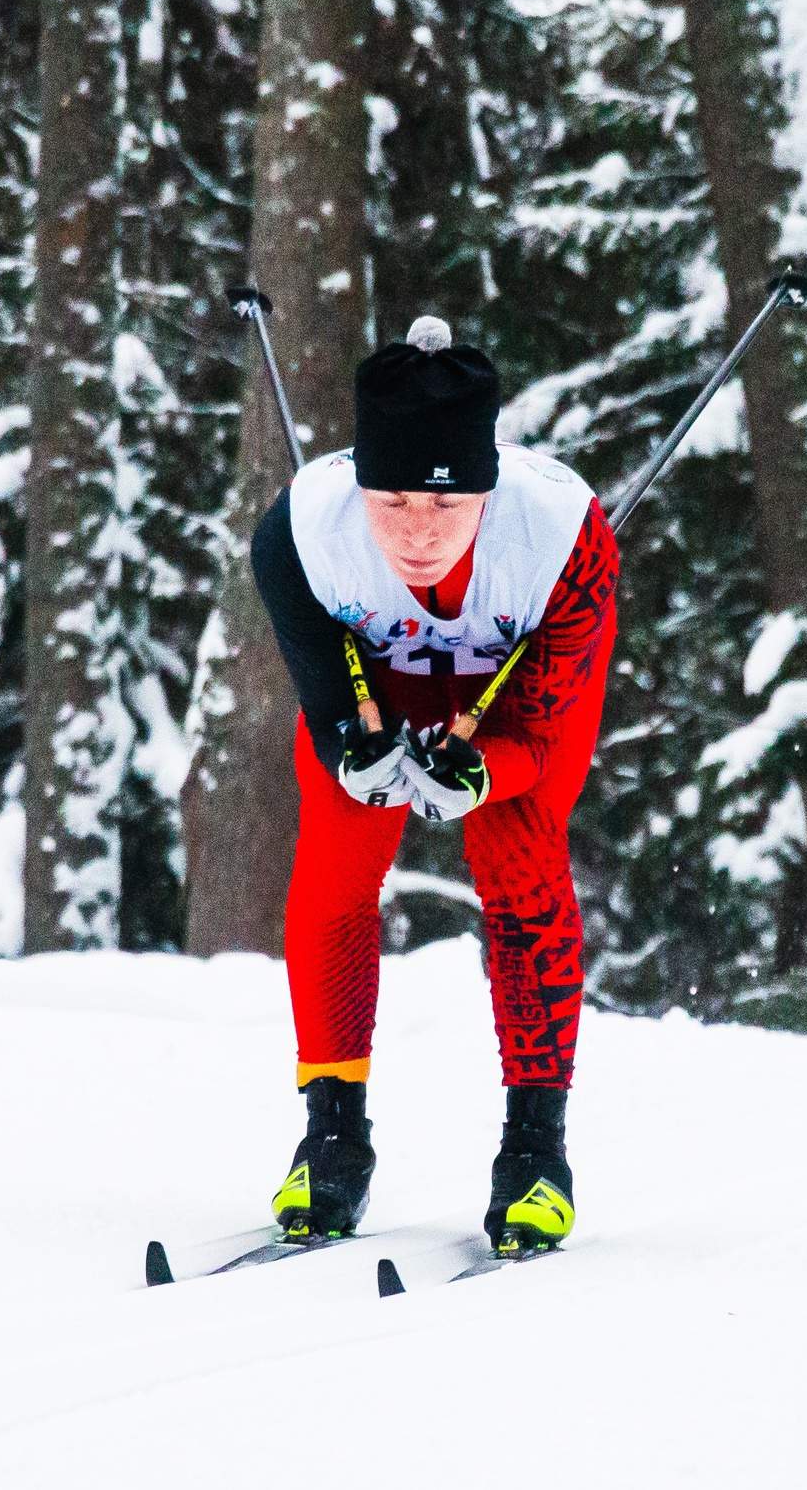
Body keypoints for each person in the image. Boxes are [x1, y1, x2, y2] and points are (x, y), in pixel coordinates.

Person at [248, 317, 618, 1255]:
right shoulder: (298, 535)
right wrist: (350, 747)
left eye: (447, 510)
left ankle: (536, 1150)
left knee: (518, 852)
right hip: (382, 673)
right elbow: (329, 701)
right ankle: (332, 1135)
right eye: (393, 504)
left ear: (488, 497)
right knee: (337, 851)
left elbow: (540, 733)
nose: (417, 536)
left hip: (516, 691)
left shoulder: (565, 539)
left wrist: (488, 771)